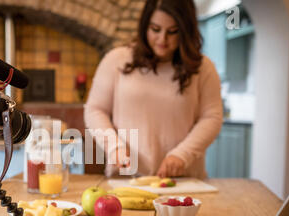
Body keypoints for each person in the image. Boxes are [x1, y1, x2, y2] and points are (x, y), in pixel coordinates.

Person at [84, 0, 223, 179]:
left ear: (186, 30)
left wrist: (182, 155)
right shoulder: (116, 59)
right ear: (144, 26)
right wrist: (113, 146)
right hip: (126, 178)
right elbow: (95, 110)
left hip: (182, 180)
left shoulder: (204, 68)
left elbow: (211, 117)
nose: (162, 39)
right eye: (155, 29)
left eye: (173, 32)